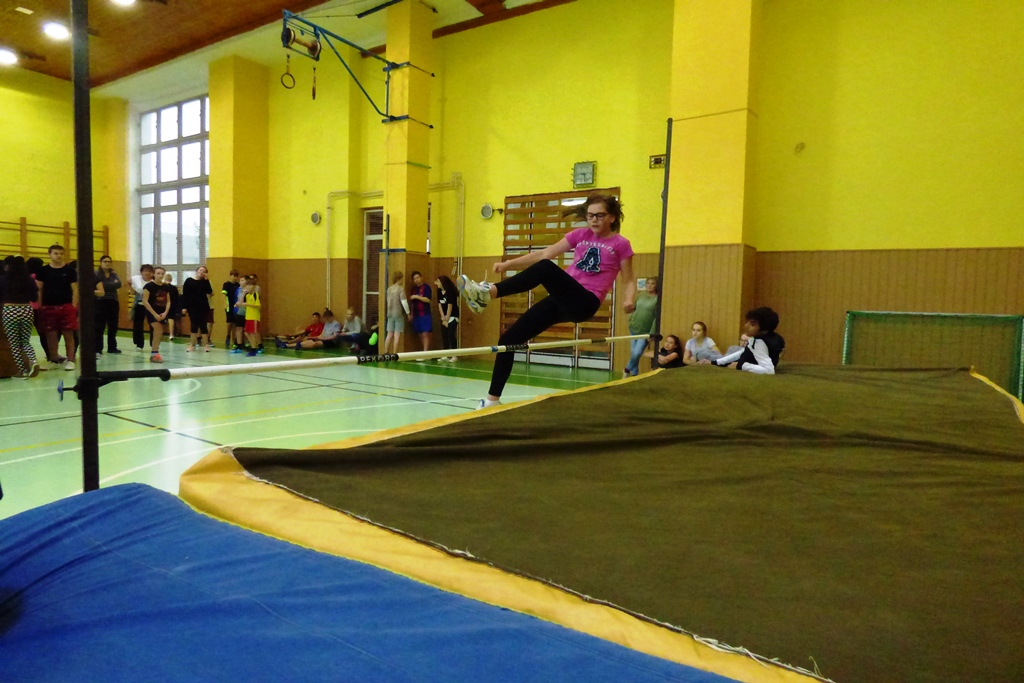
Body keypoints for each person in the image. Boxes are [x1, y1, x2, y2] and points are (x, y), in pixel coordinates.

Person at [460, 193, 636, 409]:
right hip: (562, 298)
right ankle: (492, 401)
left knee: (546, 268)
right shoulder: (580, 235)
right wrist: (508, 264)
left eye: (599, 215)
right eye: (590, 215)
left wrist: (629, 299)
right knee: (508, 340)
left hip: (585, 301)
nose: (594, 220)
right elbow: (545, 252)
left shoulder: (620, 244)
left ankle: (488, 294)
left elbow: (629, 279)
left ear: (612, 217)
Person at [36, 244, 78, 371]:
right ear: (49, 254)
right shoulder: (43, 271)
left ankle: (70, 360)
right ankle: (53, 359)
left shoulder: (70, 271)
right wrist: (40, 306)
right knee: (51, 335)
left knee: (68, 335)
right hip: (48, 307)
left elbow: (75, 290)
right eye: (56, 253)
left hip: (66, 307)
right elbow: (39, 290)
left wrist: (73, 306)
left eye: (61, 254)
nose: (59, 256)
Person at [0, 256, 41, 378]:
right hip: (26, 309)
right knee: (25, 341)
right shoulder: (29, 280)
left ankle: (22, 371)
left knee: (14, 343)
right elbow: (34, 298)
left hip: (10, 310)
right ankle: (33, 361)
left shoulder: (3, 280)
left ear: (8, 266)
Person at [713, 307, 785, 374]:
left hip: (748, 365)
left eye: (752, 324)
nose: (746, 326)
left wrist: (741, 365)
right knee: (734, 350)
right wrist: (717, 362)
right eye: (748, 322)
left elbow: (769, 370)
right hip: (745, 361)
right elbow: (743, 352)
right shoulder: (772, 337)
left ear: (764, 330)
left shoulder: (759, 342)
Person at [623, 276, 658, 377]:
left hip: (645, 331)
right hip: (634, 327)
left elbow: (656, 317)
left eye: (652, 283)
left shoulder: (657, 299)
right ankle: (635, 374)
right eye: (648, 283)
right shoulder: (641, 295)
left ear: (656, 286)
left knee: (637, 353)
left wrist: (652, 333)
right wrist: (627, 311)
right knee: (634, 353)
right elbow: (633, 308)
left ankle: (627, 369)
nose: (649, 285)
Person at [181, 265, 214, 352]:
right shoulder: (189, 281)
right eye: (200, 270)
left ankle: (206, 344)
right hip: (192, 306)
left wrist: (206, 280)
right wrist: (184, 307)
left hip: (203, 306)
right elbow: (185, 295)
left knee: (203, 325)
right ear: (197, 271)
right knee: (194, 325)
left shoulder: (205, 282)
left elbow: (210, 291)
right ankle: (192, 344)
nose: (202, 272)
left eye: (204, 271)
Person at [94, 255, 122, 356]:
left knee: (113, 326)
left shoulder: (114, 273)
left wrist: (105, 285)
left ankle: (112, 347)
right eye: (105, 261)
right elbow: (98, 285)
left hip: (113, 301)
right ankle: (98, 349)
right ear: (101, 262)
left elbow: (119, 284)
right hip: (100, 302)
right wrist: (111, 284)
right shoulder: (96, 274)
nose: (107, 263)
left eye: (109, 262)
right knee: (99, 326)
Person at [142, 266, 170, 363]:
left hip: (162, 312)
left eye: (162, 273)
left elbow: (168, 301)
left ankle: (155, 352)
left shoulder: (166, 287)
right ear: (153, 274)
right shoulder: (148, 286)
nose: (160, 275)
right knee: (158, 330)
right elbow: (145, 301)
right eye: (158, 273)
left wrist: (165, 313)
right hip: (152, 312)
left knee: (159, 333)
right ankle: (154, 354)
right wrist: (154, 314)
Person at [383, 271, 410, 355]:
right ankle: (394, 353)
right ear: (399, 279)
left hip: (390, 313)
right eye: (402, 278)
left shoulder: (389, 289)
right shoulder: (400, 289)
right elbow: (404, 302)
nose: (403, 280)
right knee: (397, 335)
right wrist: (408, 313)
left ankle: (386, 352)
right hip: (398, 313)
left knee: (389, 334)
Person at [130, 264, 156, 351]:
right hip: (140, 305)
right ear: (141, 272)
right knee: (138, 325)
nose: (147, 273)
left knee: (153, 325)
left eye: (149, 271)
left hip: (151, 306)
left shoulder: (154, 282)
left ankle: (154, 344)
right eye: (145, 271)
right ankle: (139, 344)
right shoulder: (136, 279)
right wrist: (132, 289)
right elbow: (128, 281)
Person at [436, 275, 460, 362]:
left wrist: (447, 318)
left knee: (451, 334)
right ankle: (445, 354)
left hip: (452, 315)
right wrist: (443, 317)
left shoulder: (450, 292)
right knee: (444, 335)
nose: (437, 283)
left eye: (438, 281)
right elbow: (439, 305)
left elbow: (450, 306)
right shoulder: (439, 292)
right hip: (444, 316)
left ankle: (454, 355)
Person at [409, 271, 432, 353]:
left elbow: (428, 300)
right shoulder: (413, 289)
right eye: (414, 279)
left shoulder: (426, 287)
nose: (416, 280)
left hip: (425, 313)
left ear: (421, 277)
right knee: (419, 333)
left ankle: (425, 352)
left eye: (418, 278)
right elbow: (412, 303)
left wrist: (417, 297)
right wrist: (411, 314)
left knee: (425, 333)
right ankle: (424, 351)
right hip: (416, 314)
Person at [242, 274, 262, 357]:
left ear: (254, 286)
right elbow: (242, 302)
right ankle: (253, 346)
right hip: (248, 316)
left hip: (254, 317)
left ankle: (253, 349)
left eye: (250, 285)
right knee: (246, 333)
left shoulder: (255, 295)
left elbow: (258, 306)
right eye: (247, 285)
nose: (248, 287)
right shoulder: (247, 295)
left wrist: (248, 304)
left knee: (253, 333)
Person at [222, 270, 241, 349]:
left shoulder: (238, 285)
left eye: (236, 276)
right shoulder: (226, 284)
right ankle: (228, 335)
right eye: (234, 276)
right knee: (230, 322)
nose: (235, 278)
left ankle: (234, 340)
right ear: (230, 276)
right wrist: (225, 304)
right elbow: (224, 295)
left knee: (235, 323)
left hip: (236, 305)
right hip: (229, 305)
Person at [230, 275, 248, 353]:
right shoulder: (239, 290)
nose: (240, 282)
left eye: (242, 280)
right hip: (239, 311)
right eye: (240, 281)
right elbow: (238, 300)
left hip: (247, 312)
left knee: (248, 330)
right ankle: (239, 344)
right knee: (239, 328)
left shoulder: (249, 290)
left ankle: (250, 344)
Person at [163, 272, 181, 340]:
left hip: (163, 305)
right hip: (172, 305)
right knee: (171, 319)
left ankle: (159, 332)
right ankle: (171, 334)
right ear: (171, 279)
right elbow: (177, 298)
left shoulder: (162, 287)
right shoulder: (174, 288)